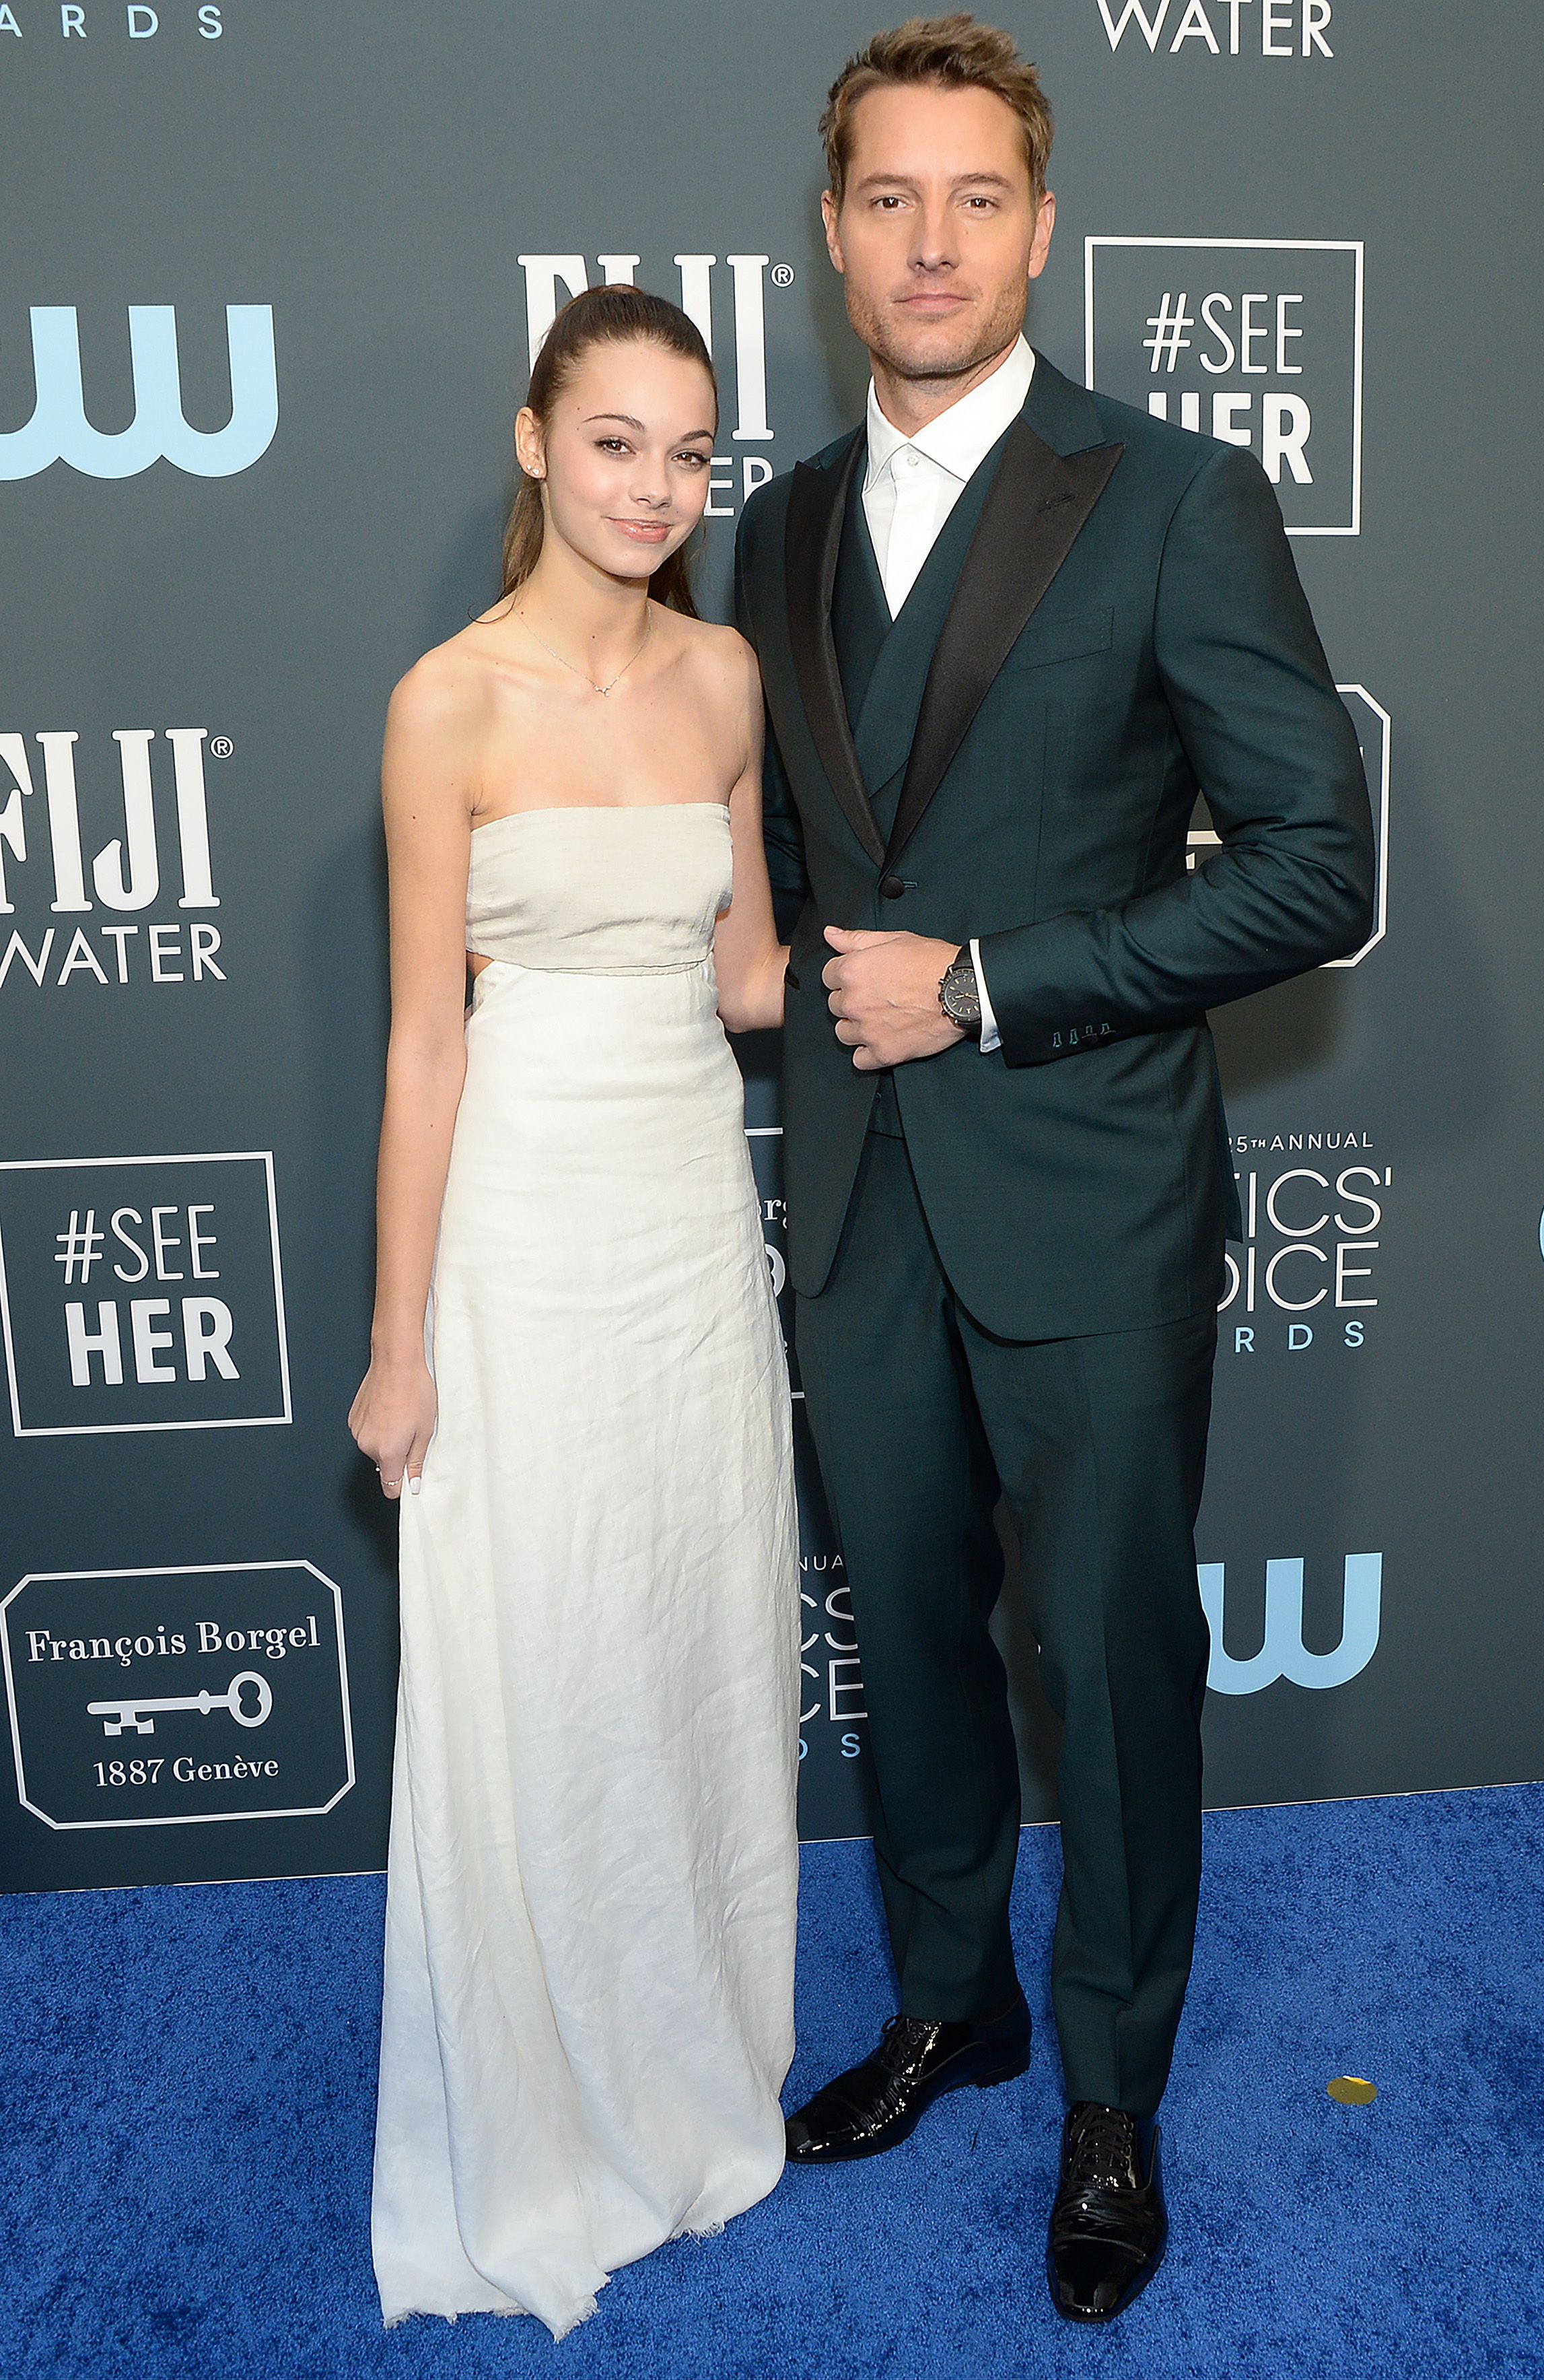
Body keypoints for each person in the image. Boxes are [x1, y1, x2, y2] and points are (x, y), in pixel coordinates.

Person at [733, 13, 1374, 2325]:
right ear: (832, 235)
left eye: (976, 198)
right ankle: (955, 2003)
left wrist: (994, 984)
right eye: (889, 199)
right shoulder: (779, 527)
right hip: (856, 1193)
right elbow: (787, 860)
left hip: (1089, 1190)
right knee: (907, 1636)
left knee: (1102, 1660)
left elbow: (1316, 867)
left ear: (1040, 227)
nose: (932, 242)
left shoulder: (1174, 493)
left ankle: (1112, 2087)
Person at [349, 285, 799, 2340]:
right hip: (522, 1226)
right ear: (535, 444)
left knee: (685, 1629)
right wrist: (399, 1342)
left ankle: (681, 2047)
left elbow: (747, 975)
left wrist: (994, 956)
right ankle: (545, 2096)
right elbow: (422, 1044)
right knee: (544, 1644)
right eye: (615, 443)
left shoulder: (724, 679)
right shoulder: (445, 703)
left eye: (689, 455)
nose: (653, 488)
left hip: (690, 1222)